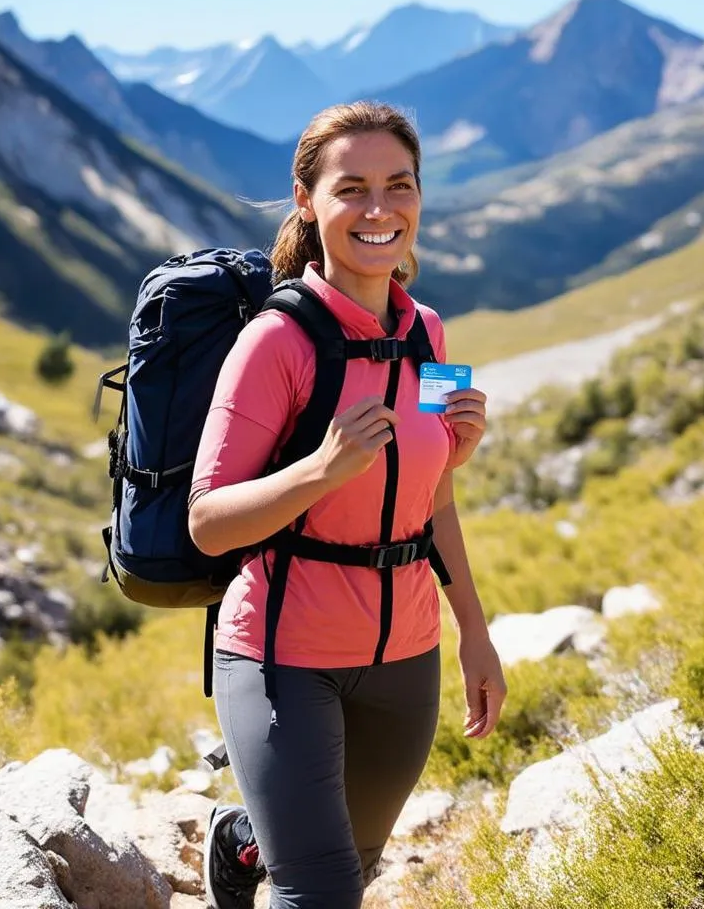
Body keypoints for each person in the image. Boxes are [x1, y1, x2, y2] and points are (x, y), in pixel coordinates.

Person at [187, 100, 507, 909]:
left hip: (406, 653)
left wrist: (475, 631)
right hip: (281, 652)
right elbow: (209, 519)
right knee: (322, 890)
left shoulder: (429, 332)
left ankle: (245, 838)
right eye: (351, 188)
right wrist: (322, 470)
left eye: (398, 185)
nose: (378, 209)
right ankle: (272, 841)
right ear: (308, 202)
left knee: (354, 864)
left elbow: (436, 499)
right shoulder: (275, 341)